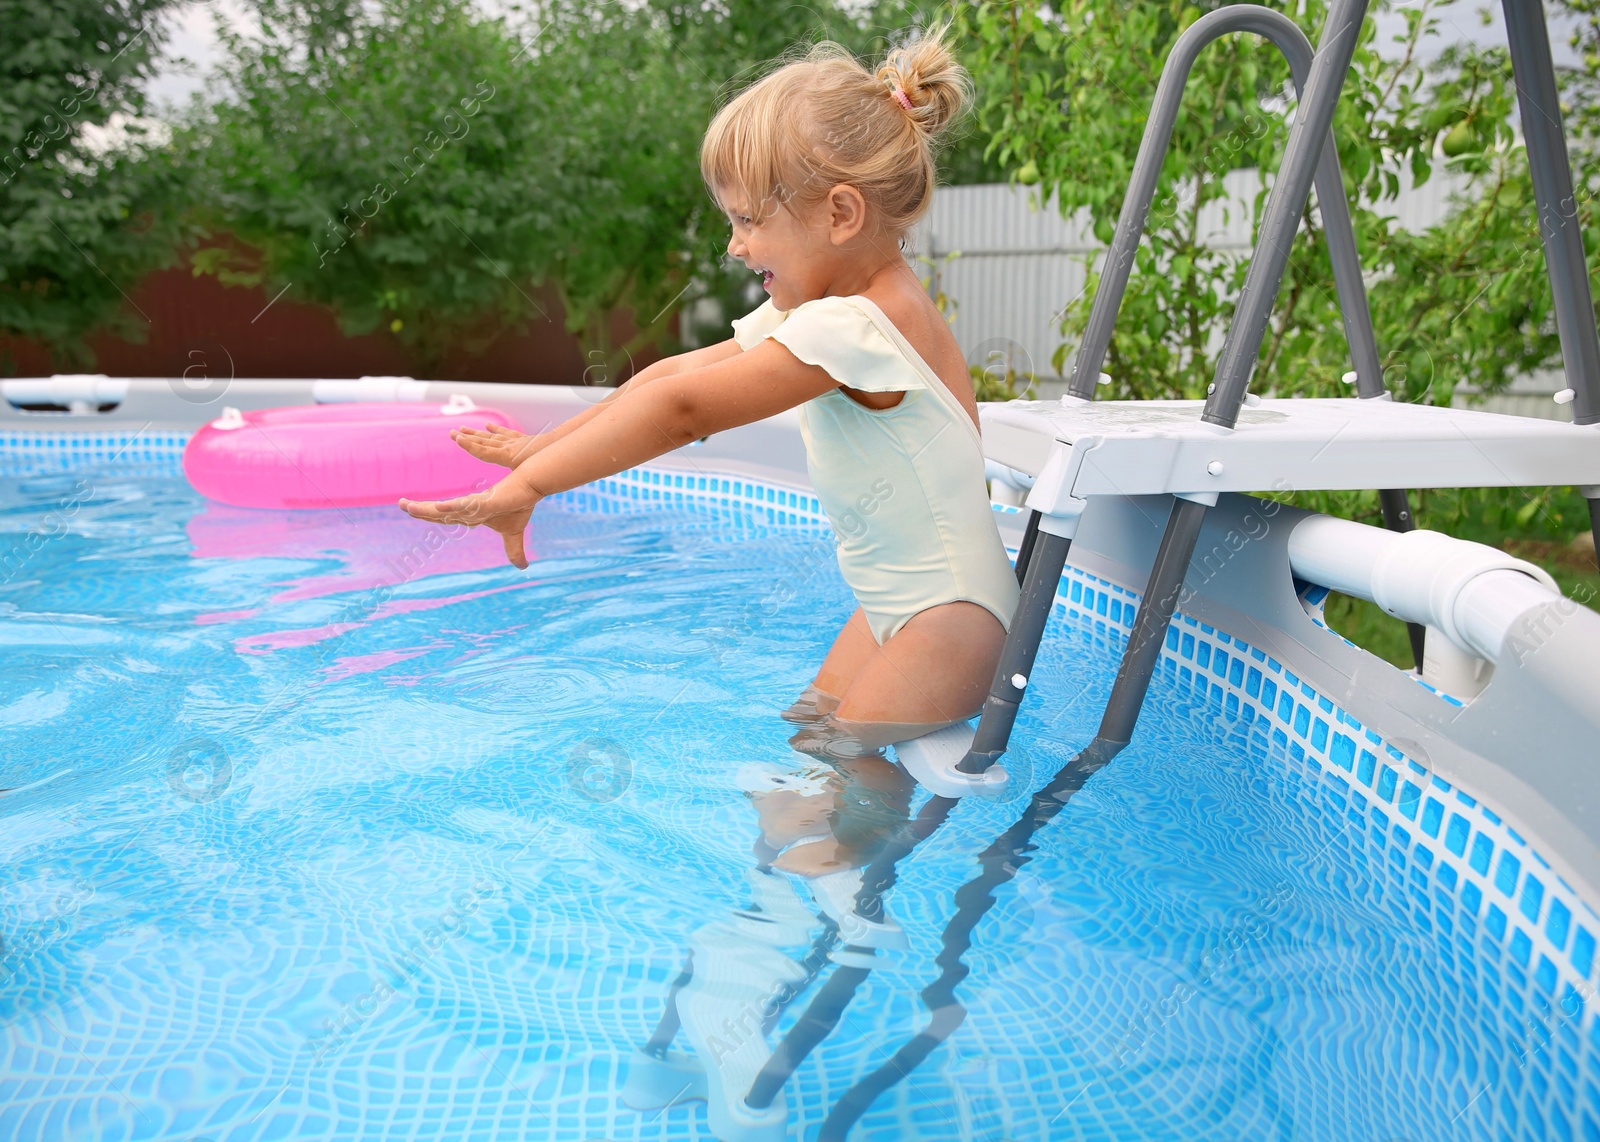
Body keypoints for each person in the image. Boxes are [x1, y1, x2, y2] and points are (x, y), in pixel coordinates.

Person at [400, 23, 1020, 754]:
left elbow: (682, 411)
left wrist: (529, 488)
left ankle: (855, 865)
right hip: (900, 605)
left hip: (948, 620)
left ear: (841, 214)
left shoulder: (863, 328)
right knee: (806, 737)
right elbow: (674, 374)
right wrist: (541, 448)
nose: (735, 244)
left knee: (836, 786)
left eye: (749, 220)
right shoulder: (831, 312)